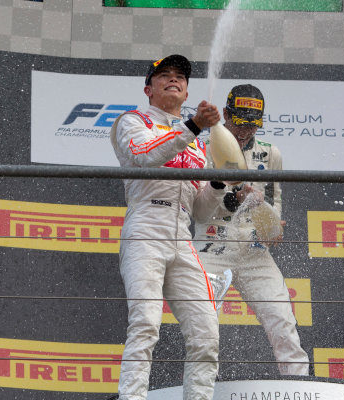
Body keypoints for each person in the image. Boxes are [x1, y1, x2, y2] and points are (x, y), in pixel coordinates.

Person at [110, 54, 226, 400]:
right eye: (164, 75)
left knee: (206, 334)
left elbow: (201, 211)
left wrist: (220, 186)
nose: (174, 79)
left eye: (181, 77)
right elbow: (146, 155)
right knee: (145, 325)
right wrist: (192, 126)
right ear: (149, 88)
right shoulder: (133, 121)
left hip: (182, 234)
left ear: (187, 91)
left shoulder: (199, 144)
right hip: (146, 226)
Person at [193, 84, 310, 376]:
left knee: (282, 320)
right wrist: (232, 199)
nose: (245, 131)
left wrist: (272, 224)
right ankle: (203, 387)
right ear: (227, 115)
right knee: (203, 325)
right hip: (211, 247)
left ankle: (298, 384)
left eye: (253, 124)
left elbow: (274, 203)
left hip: (254, 252)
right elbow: (198, 211)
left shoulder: (271, 155)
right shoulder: (203, 149)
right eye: (239, 123)